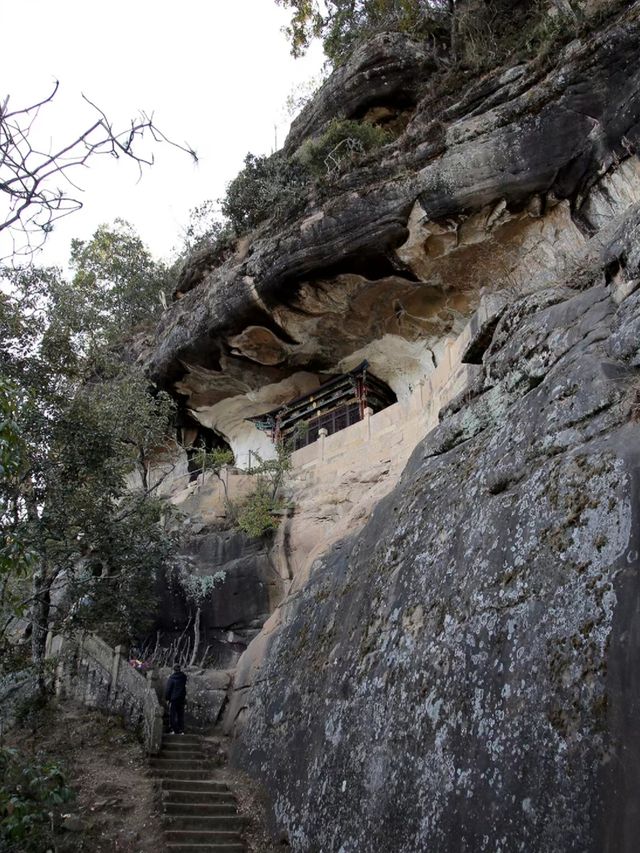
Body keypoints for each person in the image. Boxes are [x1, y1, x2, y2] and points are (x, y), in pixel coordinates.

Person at [165, 663, 187, 734]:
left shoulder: (171, 678)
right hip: (181, 699)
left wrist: (167, 698)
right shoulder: (183, 678)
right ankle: (181, 730)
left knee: (173, 715)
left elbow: (168, 690)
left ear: (173, 670)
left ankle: (174, 730)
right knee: (180, 715)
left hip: (173, 699)